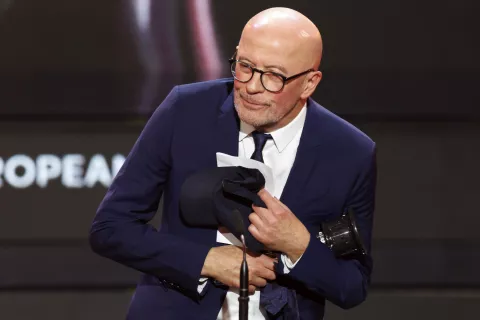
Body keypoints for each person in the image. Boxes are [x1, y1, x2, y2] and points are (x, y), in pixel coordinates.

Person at [89, 7, 376, 320]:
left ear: (309, 83)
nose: (251, 86)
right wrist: (207, 261)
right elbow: (111, 228)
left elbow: (352, 285)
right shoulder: (186, 110)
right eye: (245, 66)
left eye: (273, 77)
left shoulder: (349, 152)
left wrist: (298, 245)